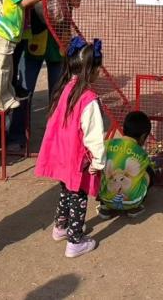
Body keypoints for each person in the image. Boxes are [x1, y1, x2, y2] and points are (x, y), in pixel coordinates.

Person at [34, 36, 107, 258]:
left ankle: (60, 226)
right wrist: (98, 160)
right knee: (79, 194)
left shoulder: (66, 87)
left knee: (66, 189)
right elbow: (94, 135)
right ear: (91, 70)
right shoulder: (89, 98)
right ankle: (75, 240)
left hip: (62, 152)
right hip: (78, 155)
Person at [10, 0, 80, 151]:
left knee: (57, 94)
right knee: (25, 91)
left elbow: (76, 1)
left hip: (59, 40)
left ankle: (56, 138)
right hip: (36, 41)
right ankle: (16, 135)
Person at [97, 111, 153, 218]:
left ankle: (104, 208)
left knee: (100, 168)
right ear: (143, 136)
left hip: (105, 198)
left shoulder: (107, 144)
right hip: (131, 202)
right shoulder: (142, 154)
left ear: (124, 129)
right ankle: (134, 208)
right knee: (149, 172)